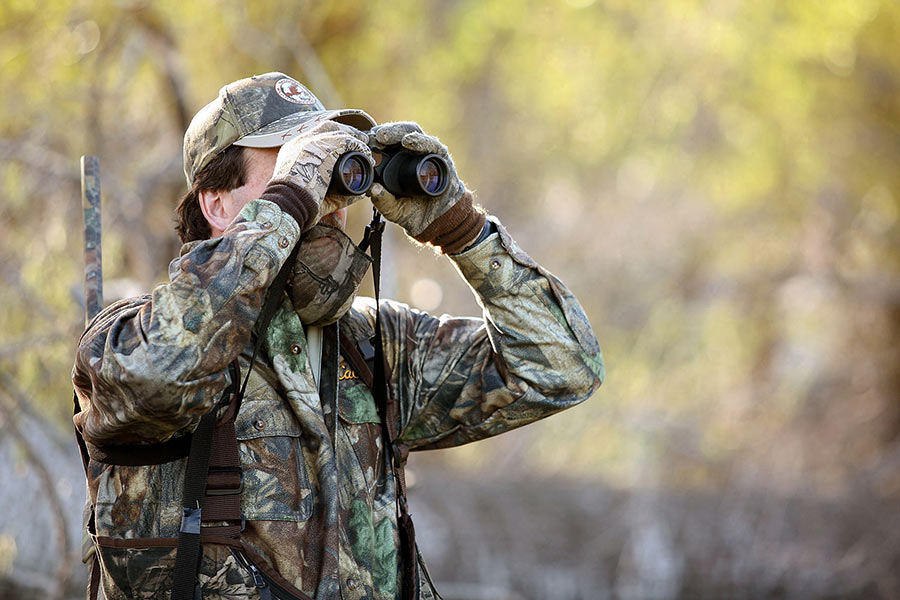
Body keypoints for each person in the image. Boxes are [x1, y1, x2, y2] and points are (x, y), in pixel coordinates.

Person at [72, 72, 604, 600]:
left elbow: (563, 367)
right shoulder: (126, 340)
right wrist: (290, 200)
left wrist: (461, 229)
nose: (325, 197)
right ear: (216, 203)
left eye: (331, 169)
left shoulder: (376, 343)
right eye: (296, 164)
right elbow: (163, 369)